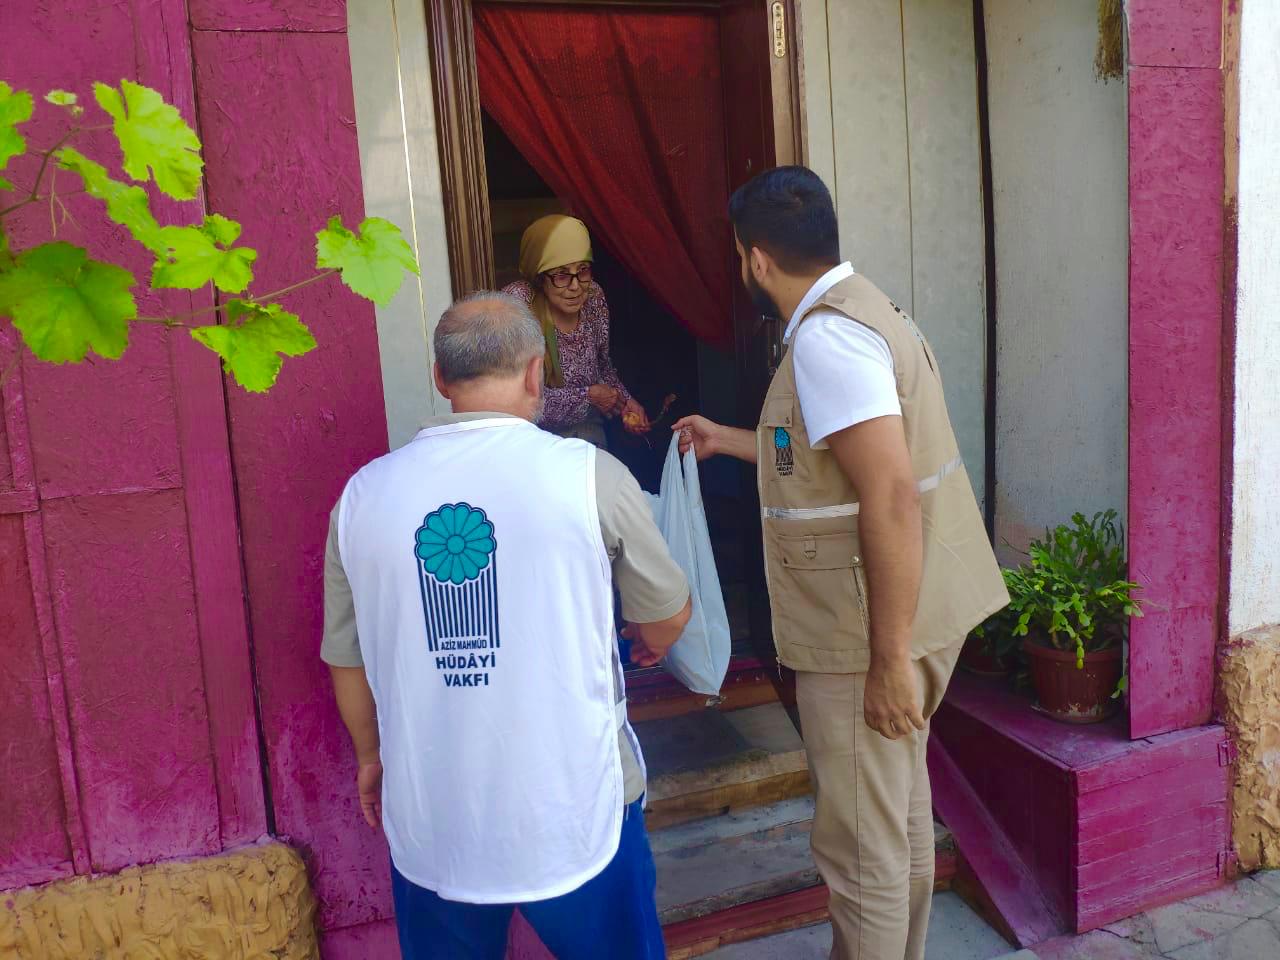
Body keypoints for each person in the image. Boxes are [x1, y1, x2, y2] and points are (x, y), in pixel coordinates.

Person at [674, 167, 1008, 960]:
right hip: (909, 608)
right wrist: (727, 440)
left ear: (756, 259)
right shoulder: (868, 309)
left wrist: (887, 661)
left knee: (861, 852)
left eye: (739, 257)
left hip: (865, 635)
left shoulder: (828, 339)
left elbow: (888, 494)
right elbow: (825, 452)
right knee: (894, 821)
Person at [322, 291, 691, 960]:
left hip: (432, 804)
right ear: (535, 373)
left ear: (440, 378)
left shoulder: (362, 498)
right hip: (574, 800)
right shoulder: (590, 477)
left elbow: (346, 659)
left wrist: (372, 757)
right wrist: (647, 642)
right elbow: (667, 614)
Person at [504, 214, 649, 447]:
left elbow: (602, 366)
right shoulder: (519, 304)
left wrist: (626, 401)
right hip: (534, 441)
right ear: (540, 277)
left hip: (588, 434)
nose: (575, 286)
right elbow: (518, 399)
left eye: (582, 271)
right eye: (561, 275)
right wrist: (587, 396)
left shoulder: (593, 296)